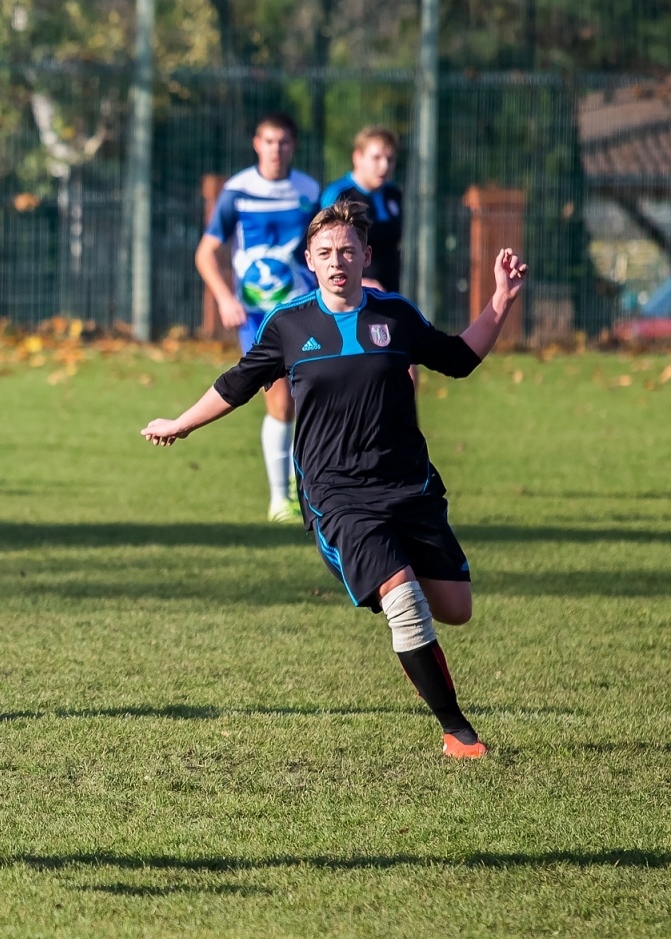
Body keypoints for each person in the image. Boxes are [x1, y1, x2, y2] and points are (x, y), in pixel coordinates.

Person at [144, 199, 527, 760]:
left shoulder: (394, 315)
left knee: (456, 608)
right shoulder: (289, 324)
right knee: (403, 599)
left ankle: (412, 630)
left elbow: (459, 358)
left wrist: (501, 300)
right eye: (324, 252)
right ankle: (457, 732)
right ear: (309, 260)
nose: (336, 261)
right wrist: (181, 423)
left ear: (365, 255)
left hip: (408, 485)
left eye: (347, 251)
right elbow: (237, 383)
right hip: (337, 494)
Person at [194, 112, 320, 524]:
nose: (276, 149)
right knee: (279, 400)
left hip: (303, 308)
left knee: (309, 399)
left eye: (283, 142)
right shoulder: (237, 191)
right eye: (268, 141)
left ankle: (306, 488)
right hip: (257, 315)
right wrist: (224, 298)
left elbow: (322, 246)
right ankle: (280, 498)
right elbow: (206, 253)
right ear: (256, 144)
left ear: (293, 146)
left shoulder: (308, 191)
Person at [321, 127, 404, 293]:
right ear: (357, 158)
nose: (384, 165)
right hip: (350, 294)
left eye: (390, 159)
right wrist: (359, 281)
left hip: (388, 293)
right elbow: (324, 250)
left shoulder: (394, 194)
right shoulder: (339, 194)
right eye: (376, 158)